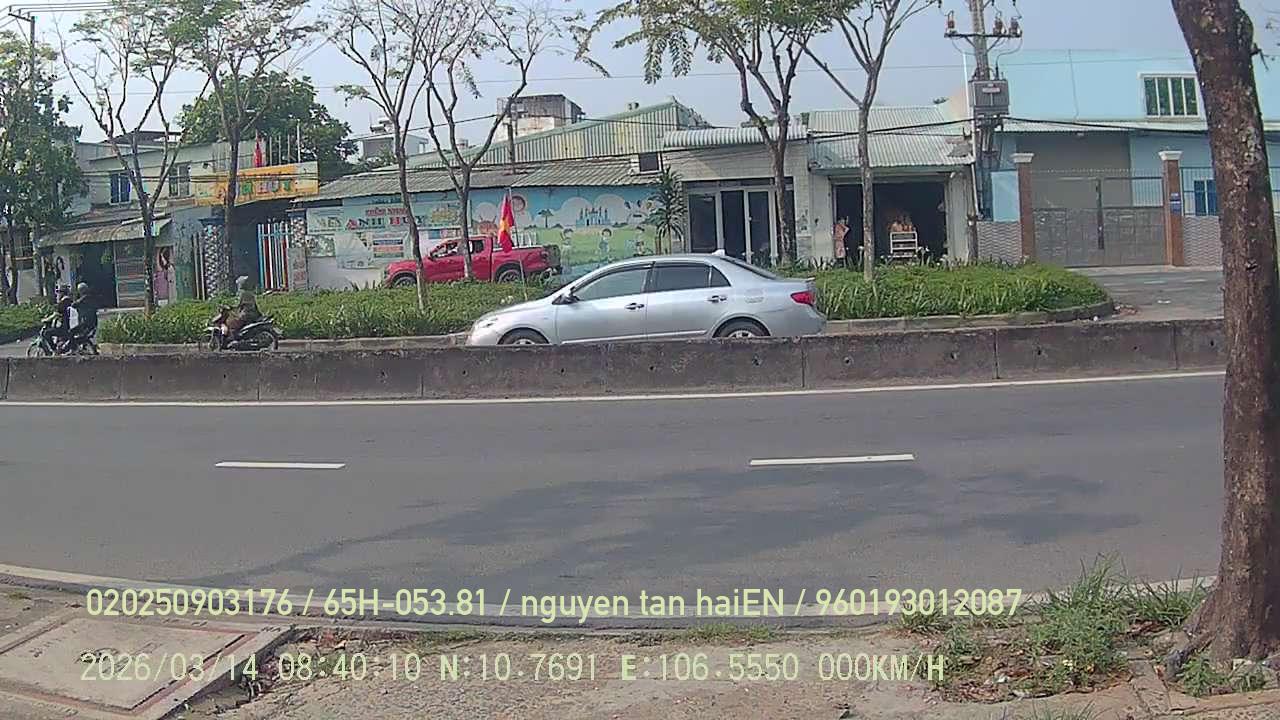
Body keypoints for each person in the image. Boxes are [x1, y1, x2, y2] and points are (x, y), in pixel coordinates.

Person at [69, 282, 99, 348]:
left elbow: (74, 305)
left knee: (71, 332)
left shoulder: (85, 298)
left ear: (81, 290)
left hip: (87, 323)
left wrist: (73, 297)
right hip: (91, 322)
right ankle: (82, 347)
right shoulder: (90, 297)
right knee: (81, 335)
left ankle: (73, 348)